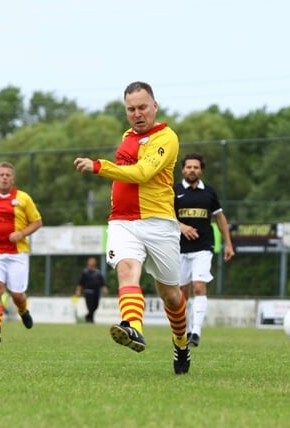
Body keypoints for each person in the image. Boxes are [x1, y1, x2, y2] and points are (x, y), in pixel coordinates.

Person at [73, 81, 191, 374]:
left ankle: (181, 344)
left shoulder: (166, 137)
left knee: (171, 295)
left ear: (155, 107)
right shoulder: (127, 136)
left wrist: (99, 166)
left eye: (142, 107)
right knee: (126, 270)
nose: (137, 114)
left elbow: (142, 173)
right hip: (122, 221)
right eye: (131, 109)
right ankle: (133, 327)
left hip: (159, 224)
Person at [0, 161, 43, 343]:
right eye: (1, 175)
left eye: (8, 175)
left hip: (17, 254)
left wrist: (22, 233)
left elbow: (37, 222)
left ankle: (23, 310)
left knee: (17, 295)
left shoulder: (23, 198)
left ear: (13, 179)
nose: (4, 177)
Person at [174, 152, 235, 347]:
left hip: (203, 247)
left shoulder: (209, 192)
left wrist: (228, 243)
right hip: (179, 249)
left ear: (201, 170)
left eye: (196, 167)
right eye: (189, 167)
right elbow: (163, 217)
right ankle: (184, 330)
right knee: (181, 293)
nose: (192, 170)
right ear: (183, 169)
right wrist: (181, 226)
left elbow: (220, 218)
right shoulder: (173, 191)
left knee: (199, 286)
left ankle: (196, 332)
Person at [74, 256, 108, 323]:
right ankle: (91, 320)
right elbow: (80, 282)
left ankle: (88, 316)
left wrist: (105, 289)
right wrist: (78, 290)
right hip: (88, 292)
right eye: (90, 261)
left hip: (96, 292)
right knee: (90, 306)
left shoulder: (98, 272)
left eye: (93, 261)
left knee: (96, 305)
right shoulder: (85, 272)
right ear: (88, 262)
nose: (92, 262)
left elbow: (102, 282)